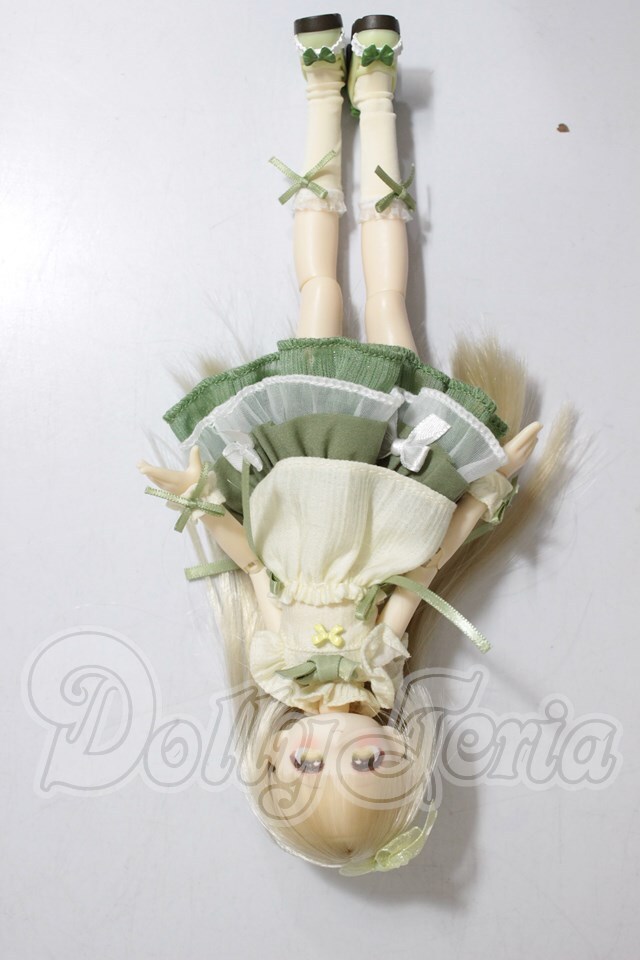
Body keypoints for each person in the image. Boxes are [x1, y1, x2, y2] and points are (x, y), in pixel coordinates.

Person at [139, 14, 541, 874]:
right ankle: (378, 89)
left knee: (319, 293)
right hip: (398, 477)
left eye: (302, 769)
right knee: (388, 303)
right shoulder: (384, 666)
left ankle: (324, 87)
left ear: (270, 760)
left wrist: (201, 502)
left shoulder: (275, 661)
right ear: (401, 757)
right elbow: (427, 570)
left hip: (304, 471)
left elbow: (254, 568)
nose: (325, 748)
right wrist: (485, 489)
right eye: (365, 768)